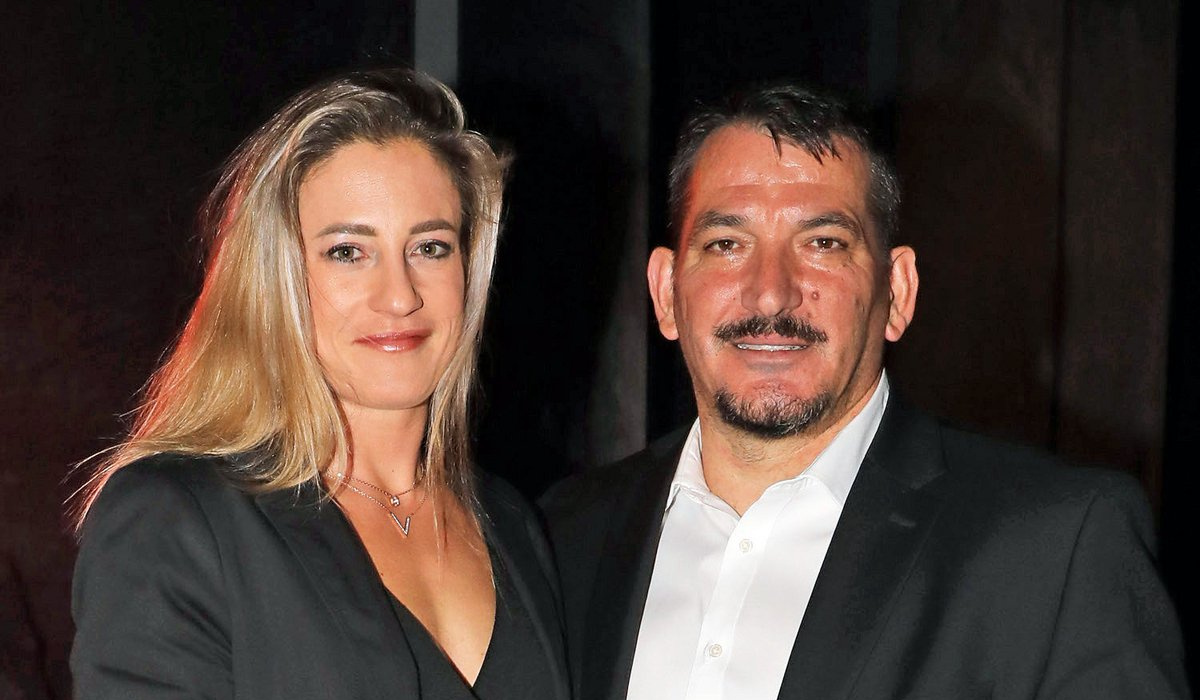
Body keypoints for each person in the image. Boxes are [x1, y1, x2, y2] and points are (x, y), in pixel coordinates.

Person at [539, 83, 1188, 700]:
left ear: (896, 292)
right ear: (666, 292)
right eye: (727, 243)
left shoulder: (1056, 547)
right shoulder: (561, 539)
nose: (771, 294)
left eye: (823, 243)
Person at [71, 68, 569, 700]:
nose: (400, 296)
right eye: (347, 252)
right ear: (274, 279)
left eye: (431, 248)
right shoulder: (178, 518)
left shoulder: (511, 523)